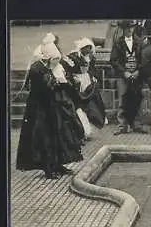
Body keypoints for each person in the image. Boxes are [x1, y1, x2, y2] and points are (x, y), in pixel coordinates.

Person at [16, 43, 84, 179]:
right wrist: (58, 85)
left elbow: (51, 86)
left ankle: (58, 163)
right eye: (54, 59)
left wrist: (61, 84)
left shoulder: (46, 67)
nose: (56, 62)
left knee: (57, 136)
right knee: (44, 138)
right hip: (39, 110)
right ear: (48, 57)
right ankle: (48, 168)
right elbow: (43, 90)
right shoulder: (37, 69)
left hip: (50, 106)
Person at [63, 38, 108, 139]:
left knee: (91, 103)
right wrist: (73, 77)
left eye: (89, 48)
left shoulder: (90, 58)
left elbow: (92, 69)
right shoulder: (73, 57)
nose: (87, 50)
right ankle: (81, 130)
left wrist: (93, 77)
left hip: (87, 81)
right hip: (78, 81)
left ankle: (90, 127)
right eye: (86, 48)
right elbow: (67, 69)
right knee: (79, 104)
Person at [110, 20, 145, 135]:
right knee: (122, 99)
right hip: (123, 76)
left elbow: (143, 59)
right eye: (127, 28)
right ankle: (122, 126)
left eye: (132, 28)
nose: (130, 30)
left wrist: (138, 71)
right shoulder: (118, 43)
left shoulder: (139, 42)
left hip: (136, 75)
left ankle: (137, 124)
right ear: (123, 30)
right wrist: (124, 72)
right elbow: (114, 60)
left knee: (137, 98)